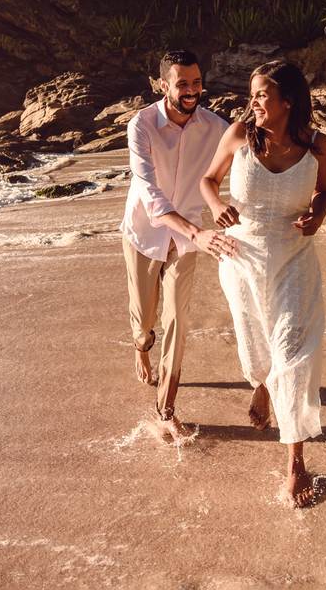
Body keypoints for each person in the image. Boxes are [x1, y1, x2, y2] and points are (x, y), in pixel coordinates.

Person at [200, 60, 326, 507]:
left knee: (292, 352)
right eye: (252, 93)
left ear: (288, 101)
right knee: (255, 340)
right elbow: (208, 180)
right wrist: (215, 206)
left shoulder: (318, 145)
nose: (252, 101)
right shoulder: (239, 134)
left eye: (261, 94)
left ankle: (295, 463)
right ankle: (261, 383)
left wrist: (317, 215)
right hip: (241, 257)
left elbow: (323, 191)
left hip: (294, 256)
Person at [120, 50, 233, 439]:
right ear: (162, 85)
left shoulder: (216, 127)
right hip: (144, 233)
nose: (191, 91)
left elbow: (252, 154)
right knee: (144, 321)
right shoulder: (141, 125)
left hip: (186, 240)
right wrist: (197, 233)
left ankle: (166, 410)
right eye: (182, 83)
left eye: (197, 82)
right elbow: (149, 193)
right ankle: (141, 346)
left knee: (178, 321)